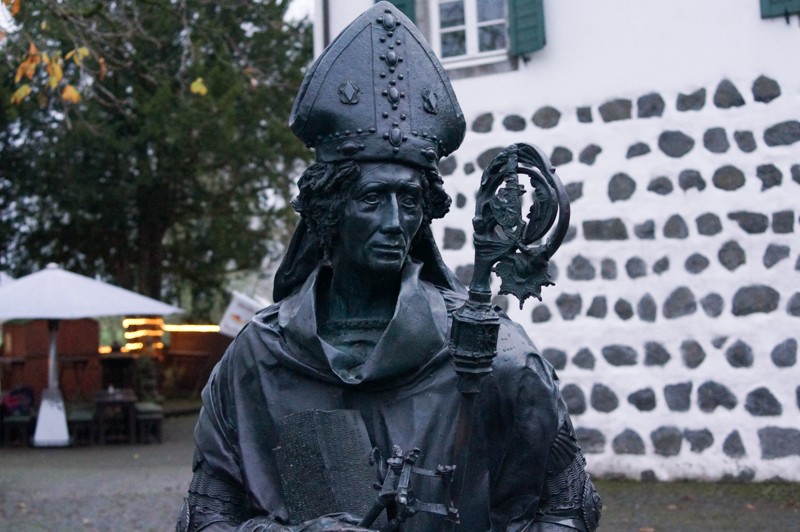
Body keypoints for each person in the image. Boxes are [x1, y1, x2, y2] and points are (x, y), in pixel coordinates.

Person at [178, 3, 600, 531]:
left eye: (410, 200)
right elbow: (205, 517)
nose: (396, 222)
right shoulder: (258, 357)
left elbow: (570, 508)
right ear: (330, 211)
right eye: (373, 198)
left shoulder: (502, 356)